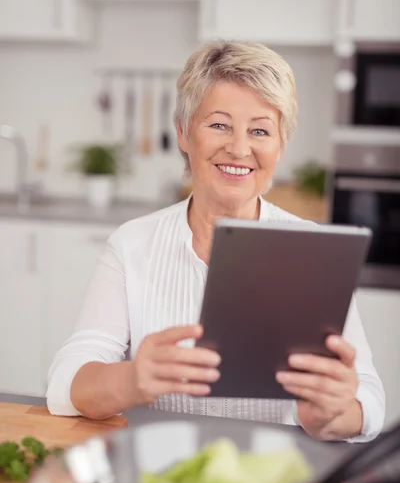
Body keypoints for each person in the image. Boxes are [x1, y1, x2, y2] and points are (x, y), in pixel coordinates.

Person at [47, 40, 385, 442]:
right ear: (184, 134)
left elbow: (369, 401)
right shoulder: (133, 243)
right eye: (219, 124)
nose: (239, 148)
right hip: (161, 476)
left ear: (280, 147)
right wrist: (131, 380)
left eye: (260, 130)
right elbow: (66, 382)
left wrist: (329, 414)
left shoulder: (313, 251)